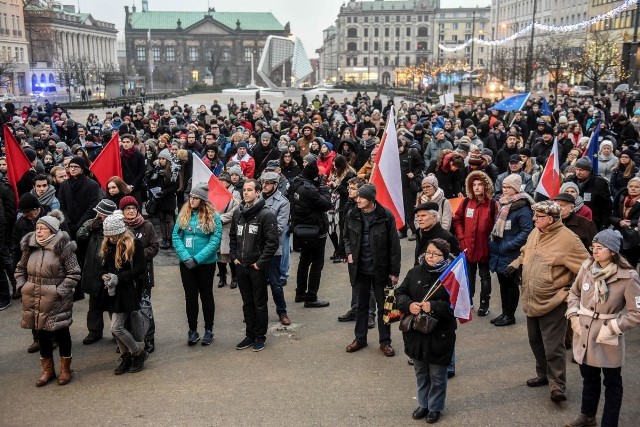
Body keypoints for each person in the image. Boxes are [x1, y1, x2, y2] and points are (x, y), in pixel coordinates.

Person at [507, 200, 589, 402]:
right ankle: (543, 374)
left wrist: (571, 292)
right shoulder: (536, 232)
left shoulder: (569, 240)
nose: (534, 219)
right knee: (535, 342)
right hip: (531, 299)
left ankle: (557, 385)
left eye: (539, 216)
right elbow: (526, 251)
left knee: (553, 347)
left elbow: (588, 269)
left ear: (551, 220)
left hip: (554, 301)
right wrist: (516, 264)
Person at [565, 230, 640, 427]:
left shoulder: (629, 276)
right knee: (588, 377)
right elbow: (573, 293)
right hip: (584, 331)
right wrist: (573, 317)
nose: (595, 252)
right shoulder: (587, 267)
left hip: (608, 333)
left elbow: (637, 313)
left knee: (612, 382)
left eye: (600, 248)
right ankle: (587, 416)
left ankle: (609, 423)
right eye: (593, 247)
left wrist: (614, 327)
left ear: (613, 251)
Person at [16, 210, 80, 386]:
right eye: (37, 228)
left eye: (43, 228)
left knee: (61, 333)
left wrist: (58, 292)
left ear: (52, 230)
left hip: (57, 300)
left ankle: (66, 370)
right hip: (34, 299)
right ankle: (48, 371)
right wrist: (22, 286)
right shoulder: (30, 246)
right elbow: (20, 269)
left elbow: (74, 274)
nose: (39, 231)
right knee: (42, 335)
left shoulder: (64, 248)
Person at [396, 238, 457, 424]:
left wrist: (434, 306)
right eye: (429, 252)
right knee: (421, 372)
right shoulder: (414, 271)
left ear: (444, 256)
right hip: (415, 333)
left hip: (439, 334)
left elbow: (457, 306)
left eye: (436, 254)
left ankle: (435, 407)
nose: (430, 256)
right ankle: (423, 404)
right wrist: (409, 305)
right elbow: (400, 293)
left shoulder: (451, 277)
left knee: (438, 376)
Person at [343, 184, 401, 357]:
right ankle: (360, 338)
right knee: (361, 306)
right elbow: (346, 236)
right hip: (359, 269)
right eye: (357, 197)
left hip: (380, 270)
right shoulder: (352, 214)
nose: (357, 200)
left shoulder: (385, 216)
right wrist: (349, 252)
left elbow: (394, 246)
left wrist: (394, 272)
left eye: (361, 197)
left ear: (371, 199)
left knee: (384, 307)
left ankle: (385, 342)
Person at [230, 179, 279, 352]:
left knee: (259, 303)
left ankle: (260, 336)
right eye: (244, 190)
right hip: (241, 266)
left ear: (258, 192)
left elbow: (272, 243)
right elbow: (233, 237)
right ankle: (249, 335)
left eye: (250, 190)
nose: (246, 193)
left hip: (256, 267)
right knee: (246, 302)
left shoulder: (267, 214)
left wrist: (260, 263)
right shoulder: (238, 213)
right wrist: (234, 256)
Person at [172, 183, 222, 346]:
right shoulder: (183, 214)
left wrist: (197, 259)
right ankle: (192, 330)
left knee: (206, 295)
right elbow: (176, 237)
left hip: (205, 264)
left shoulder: (213, 216)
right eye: (191, 197)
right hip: (186, 263)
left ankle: (209, 330)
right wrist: (186, 257)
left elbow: (215, 241)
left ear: (202, 200)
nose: (191, 200)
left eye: (195, 198)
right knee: (190, 297)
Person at [98, 211, 148, 374]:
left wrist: (118, 277)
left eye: (114, 236)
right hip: (111, 290)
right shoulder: (108, 244)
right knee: (115, 328)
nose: (111, 239)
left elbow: (140, 268)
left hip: (127, 290)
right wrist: (103, 275)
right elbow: (103, 266)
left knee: (117, 327)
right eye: (108, 236)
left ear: (121, 232)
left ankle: (138, 353)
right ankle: (126, 356)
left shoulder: (135, 244)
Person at [488, 174, 534, 327]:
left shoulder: (522, 207)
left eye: (508, 187)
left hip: (511, 253)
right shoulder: (503, 204)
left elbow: (527, 231)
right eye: (504, 187)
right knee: (503, 285)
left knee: (511, 286)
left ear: (516, 189)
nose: (505, 190)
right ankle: (504, 313)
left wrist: (509, 245)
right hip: (500, 252)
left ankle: (510, 315)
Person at [289, 154, 332, 307]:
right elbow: (327, 204)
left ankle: (300, 292)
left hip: (301, 228)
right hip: (315, 230)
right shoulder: (311, 190)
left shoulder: (295, 182)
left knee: (304, 261)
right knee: (317, 264)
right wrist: (323, 187)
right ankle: (311, 297)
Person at [452, 171, 498, 316]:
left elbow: (496, 226)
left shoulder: (492, 204)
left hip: (484, 247)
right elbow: (457, 220)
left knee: (484, 276)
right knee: (468, 276)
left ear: (486, 186)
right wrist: (461, 238)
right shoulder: (466, 202)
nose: (477, 187)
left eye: (480, 184)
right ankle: (469, 300)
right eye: (474, 185)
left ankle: (484, 303)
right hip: (467, 247)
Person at [120, 196, 160, 353]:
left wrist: (138, 255)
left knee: (145, 308)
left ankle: (149, 339)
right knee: (126, 309)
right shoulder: (119, 227)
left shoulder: (147, 226)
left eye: (133, 208)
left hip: (143, 276)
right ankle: (128, 340)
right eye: (127, 208)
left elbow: (155, 246)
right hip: (125, 276)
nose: (131, 211)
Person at [76, 199, 117, 345]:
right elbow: (79, 238)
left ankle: (117, 331)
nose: (98, 215)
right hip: (93, 271)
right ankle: (94, 332)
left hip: (108, 272)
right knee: (94, 305)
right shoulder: (92, 224)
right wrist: (88, 228)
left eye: (101, 213)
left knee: (113, 305)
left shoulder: (114, 227)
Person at [259, 172, 292, 326]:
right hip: (255, 249)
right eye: (263, 182)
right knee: (257, 284)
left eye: (268, 183)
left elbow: (279, 228)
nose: (264, 185)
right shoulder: (256, 198)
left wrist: (258, 232)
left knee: (275, 284)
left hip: (272, 249)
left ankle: (282, 312)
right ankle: (258, 312)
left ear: (275, 185)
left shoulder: (283, 202)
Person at [563, 157, 612, 230]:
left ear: (589, 171)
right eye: (576, 169)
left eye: (581, 170)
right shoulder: (570, 180)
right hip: (570, 221)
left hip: (593, 222)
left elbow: (606, 206)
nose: (578, 172)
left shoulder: (599, 183)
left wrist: (604, 224)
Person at [413, 202, 459, 267]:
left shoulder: (447, 237)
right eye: (418, 216)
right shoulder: (419, 233)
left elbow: (454, 265)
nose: (419, 219)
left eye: (423, 216)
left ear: (434, 217)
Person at [609, 177, 640, 268]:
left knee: (631, 265)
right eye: (631, 186)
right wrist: (619, 221)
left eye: (637, 187)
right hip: (619, 236)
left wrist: (631, 222)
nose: (633, 188)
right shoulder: (620, 198)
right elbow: (611, 216)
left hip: (635, 238)